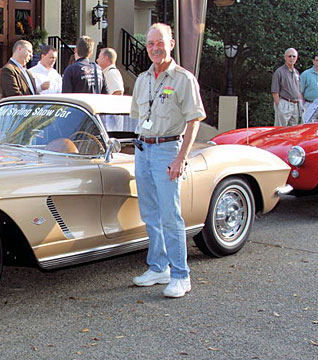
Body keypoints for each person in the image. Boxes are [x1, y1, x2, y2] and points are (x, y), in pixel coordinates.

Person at [130, 23, 205, 298]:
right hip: (144, 149)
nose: (155, 48)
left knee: (170, 215)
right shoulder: (142, 79)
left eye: (160, 43)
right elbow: (137, 119)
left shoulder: (183, 79)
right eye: (150, 43)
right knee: (150, 213)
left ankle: (180, 275)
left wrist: (180, 158)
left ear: (171, 44)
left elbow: (194, 120)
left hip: (167, 149)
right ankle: (159, 266)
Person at [271, 48, 303, 126]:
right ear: (285, 57)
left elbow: (298, 90)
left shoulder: (296, 72)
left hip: (295, 105)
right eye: (289, 56)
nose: (292, 58)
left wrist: (301, 105)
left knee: (293, 131)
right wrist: (280, 107)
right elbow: (275, 91)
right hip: (285, 103)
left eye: (294, 56)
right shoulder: (279, 72)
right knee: (280, 130)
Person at [300, 51, 318, 123]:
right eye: (317, 60)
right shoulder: (306, 74)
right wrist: (302, 107)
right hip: (310, 105)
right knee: (308, 127)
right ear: (313, 61)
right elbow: (300, 91)